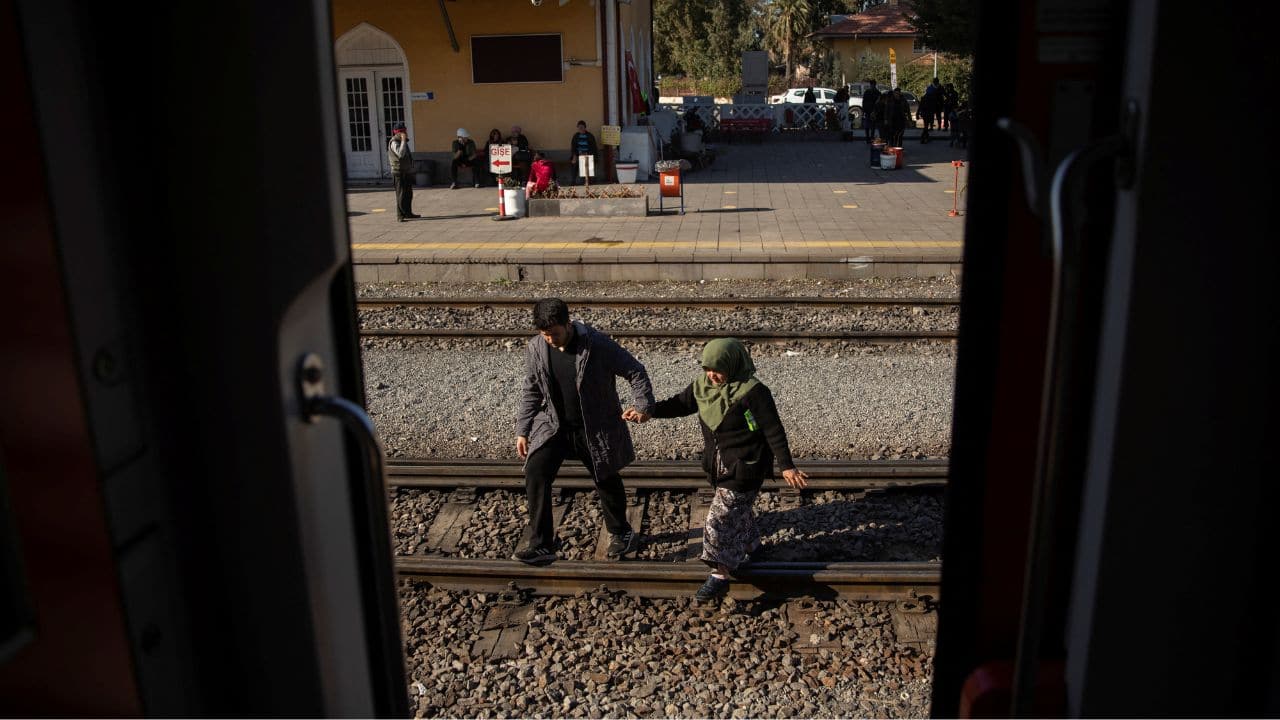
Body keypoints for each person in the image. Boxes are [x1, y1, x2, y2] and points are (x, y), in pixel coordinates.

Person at [625, 338, 808, 602]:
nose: (712, 374)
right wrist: (648, 413)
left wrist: (787, 466)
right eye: (707, 368)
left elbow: (773, 430)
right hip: (717, 466)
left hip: (747, 467)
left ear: (733, 365)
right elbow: (679, 404)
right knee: (736, 511)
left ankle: (720, 574)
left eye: (718, 369)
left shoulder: (754, 392)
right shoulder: (702, 386)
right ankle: (752, 547)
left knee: (718, 519)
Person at [514, 298, 657, 565]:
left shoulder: (596, 344)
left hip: (594, 427)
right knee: (536, 471)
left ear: (568, 324)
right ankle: (541, 544)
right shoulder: (536, 348)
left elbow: (635, 371)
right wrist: (523, 430)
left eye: (554, 334)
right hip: (555, 426)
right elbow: (532, 390)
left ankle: (621, 533)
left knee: (605, 477)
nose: (549, 340)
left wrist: (643, 406)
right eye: (544, 334)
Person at [387, 121, 419, 222]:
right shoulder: (394, 142)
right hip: (398, 172)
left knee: (408, 194)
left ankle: (408, 213)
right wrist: (404, 141)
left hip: (406, 171)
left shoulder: (402, 141)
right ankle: (400, 216)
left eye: (404, 131)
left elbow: (407, 155)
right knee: (400, 194)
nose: (404, 133)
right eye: (402, 132)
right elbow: (401, 154)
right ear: (396, 133)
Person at [568, 120, 598, 186]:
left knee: (586, 160)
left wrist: (586, 153)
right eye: (579, 127)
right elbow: (573, 147)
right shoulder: (576, 136)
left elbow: (593, 148)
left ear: (585, 127)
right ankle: (573, 181)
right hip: (578, 154)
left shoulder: (590, 136)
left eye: (582, 127)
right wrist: (574, 155)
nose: (580, 129)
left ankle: (587, 181)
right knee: (574, 162)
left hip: (588, 154)